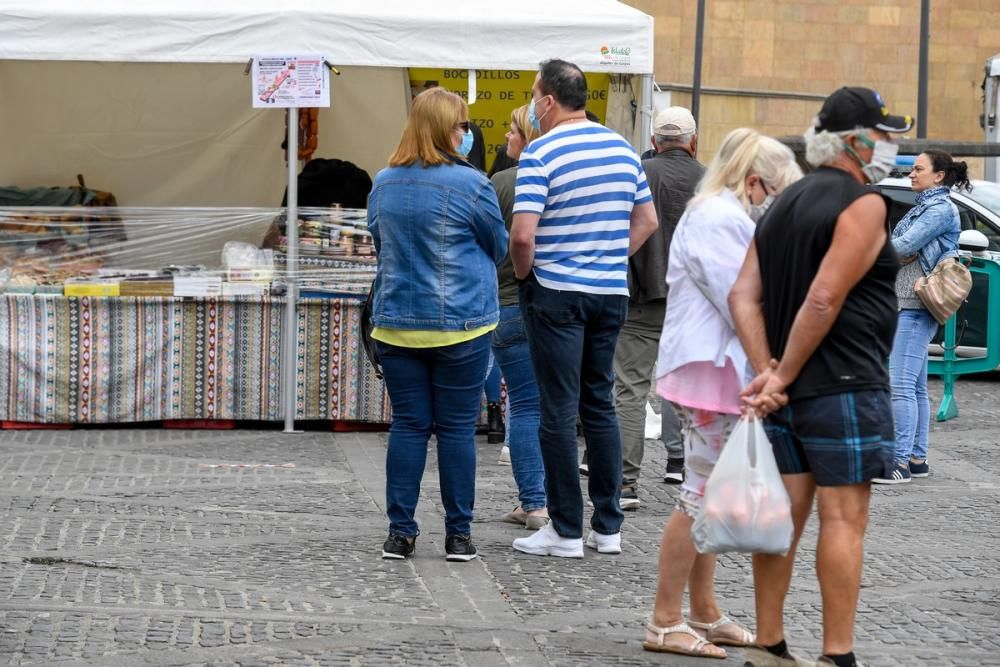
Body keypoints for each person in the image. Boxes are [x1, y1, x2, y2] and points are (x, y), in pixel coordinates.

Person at [730, 86, 912, 667]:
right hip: (844, 385)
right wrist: (779, 371)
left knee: (781, 518)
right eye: (884, 135)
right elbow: (823, 298)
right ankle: (838, 655)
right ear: (857, 141)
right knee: (843, 518)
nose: (890, 146)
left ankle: (770, 642)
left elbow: (743, 295)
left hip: (787, 392)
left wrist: (769, 373)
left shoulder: (781, 203)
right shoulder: (865, 204)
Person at [642, 128, 802, 659]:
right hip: (709, 371)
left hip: (709, 369)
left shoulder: (719, 212)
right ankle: (665, 619)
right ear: (754, 182)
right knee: (701, 495)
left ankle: (702, 610)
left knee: (704, 492)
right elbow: (741, 298)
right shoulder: (719, 217)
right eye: (775, 194)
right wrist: (771, 368)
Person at [508, 59, 658, 558]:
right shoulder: (622, 148)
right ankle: (608, 525)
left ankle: (565, 528)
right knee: (600, 402)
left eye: (534, 95)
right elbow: (648, 220)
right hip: (609, 290)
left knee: (557, 408)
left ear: (548, 101)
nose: (532, 104)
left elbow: (523, 235)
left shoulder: (540, 152)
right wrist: (609, 255)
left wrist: (527, 272)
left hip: (555, 290)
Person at [367, 87, 507, 563]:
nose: (467, 133)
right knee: (455, 429)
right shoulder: (473, 185)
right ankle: (458, 535)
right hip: (461, 325)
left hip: (396, 325)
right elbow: (499, 246)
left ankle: (399, 533)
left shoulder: (383, 182)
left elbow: (377, 242)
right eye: (463, 125)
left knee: (408, 426)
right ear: (449, 130)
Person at [614, 106, 704, 512]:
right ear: (693, 142)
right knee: (689, 388)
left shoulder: (640, 173)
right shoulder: (710, 182)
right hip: (695, 303)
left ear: (654, 142)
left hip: (641, 297)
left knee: (630, 388)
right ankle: (687, 469)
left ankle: (625, 482)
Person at [873, 150, 966, 484]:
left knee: (899, 387)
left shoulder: (939, 209)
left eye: (918, 169)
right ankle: (916, 459)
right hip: (908, 302)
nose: (911, 174)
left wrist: (892, 248)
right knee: (913, 387)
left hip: (915, 305)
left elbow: (900, 247)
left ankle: (897, 464)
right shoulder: (927, 207)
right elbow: (900, 247)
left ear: (939, 175)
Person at [491, 104, 549, 530]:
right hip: (557, 306)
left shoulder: (503, 183)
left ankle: (534, 502)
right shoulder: (563, 177)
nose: (506, 139)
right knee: (555, 405)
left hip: (510, 301)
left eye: (513, 131)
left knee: (526, 405)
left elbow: (493, 244)